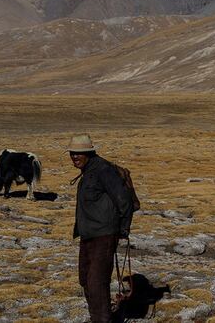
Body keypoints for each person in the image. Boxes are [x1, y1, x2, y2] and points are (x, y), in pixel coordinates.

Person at [68, 134, 135, 323]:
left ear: (89, 152)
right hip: (88, 234)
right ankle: (98, 317)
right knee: (86, 279)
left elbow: (124, 200)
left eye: (79, 153)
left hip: (104, 235)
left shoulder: (103, 170)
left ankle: (103, 320)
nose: (75, 157)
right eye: (72, 153)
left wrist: (123, 230)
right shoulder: (89, 170)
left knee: (97, 281)